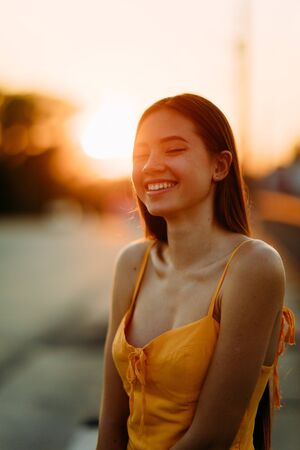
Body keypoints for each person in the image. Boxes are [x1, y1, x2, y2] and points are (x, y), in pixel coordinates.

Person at [96, 93, 295, 450]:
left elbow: (209, 439)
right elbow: (111, 424)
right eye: (141, 155)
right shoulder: (132, 263)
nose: (151, 166)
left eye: (173, 150)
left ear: (220, 166)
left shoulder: (253, 266)